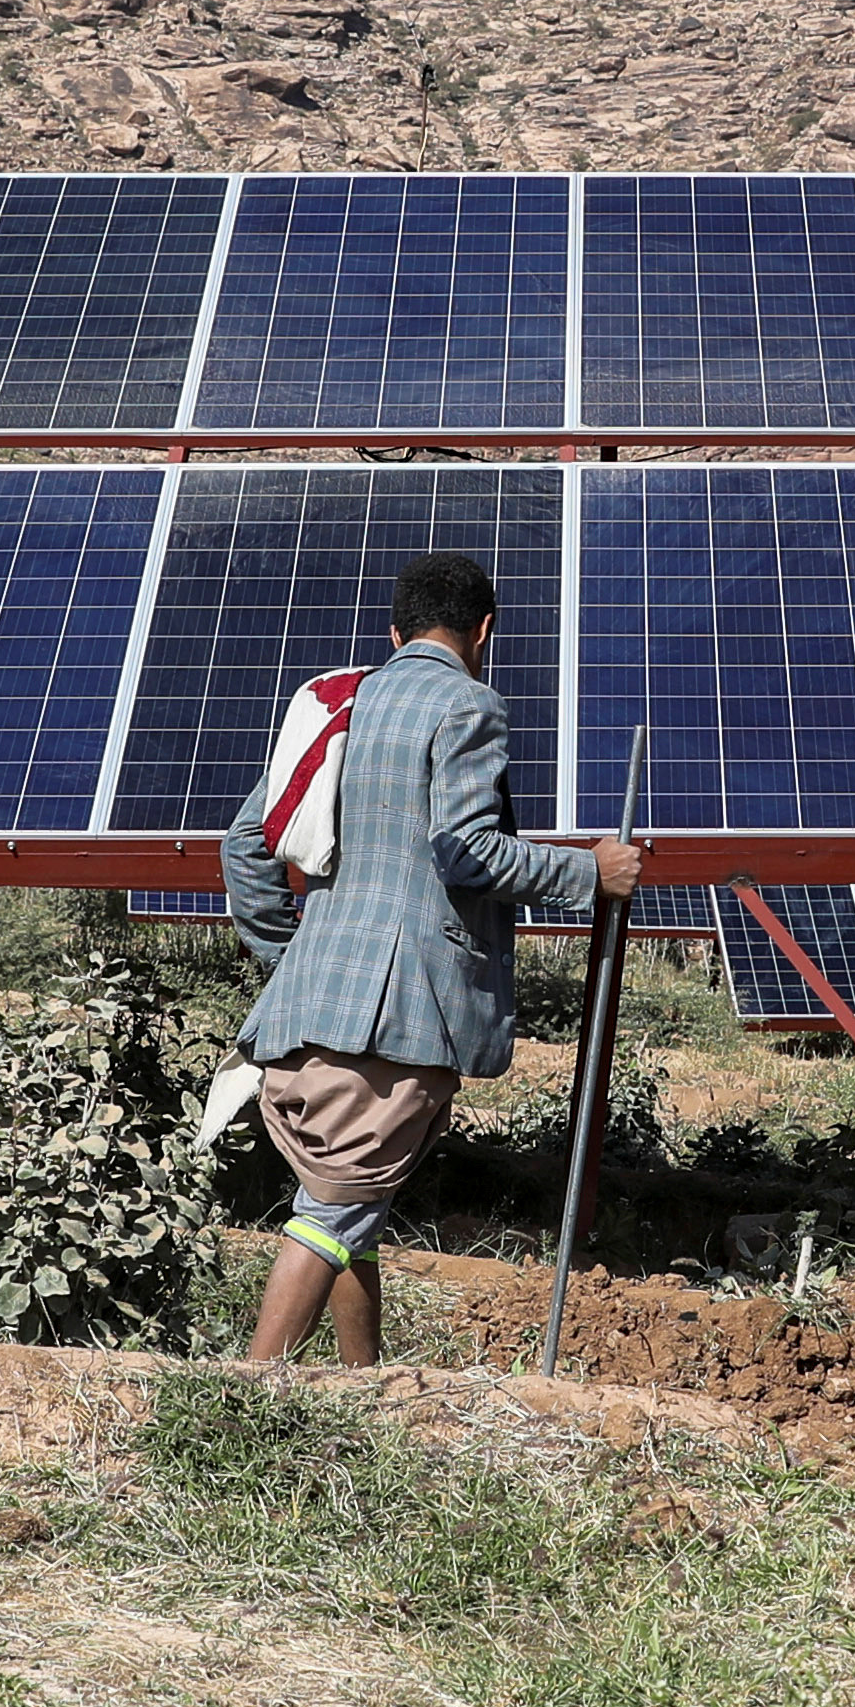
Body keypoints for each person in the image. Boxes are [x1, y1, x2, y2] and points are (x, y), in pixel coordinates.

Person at [220, 545, 646, 1365]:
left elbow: (248, 846)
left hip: (311, 1006)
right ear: (485, 630)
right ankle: (243, 1396)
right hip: (396, 1015)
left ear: (395, 631)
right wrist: (590, 871)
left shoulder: (340, 703)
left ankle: (361, 1382)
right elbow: (465, 850)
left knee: (349, 1204)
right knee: (334, 1213)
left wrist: (297, 961)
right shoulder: (468, 706)